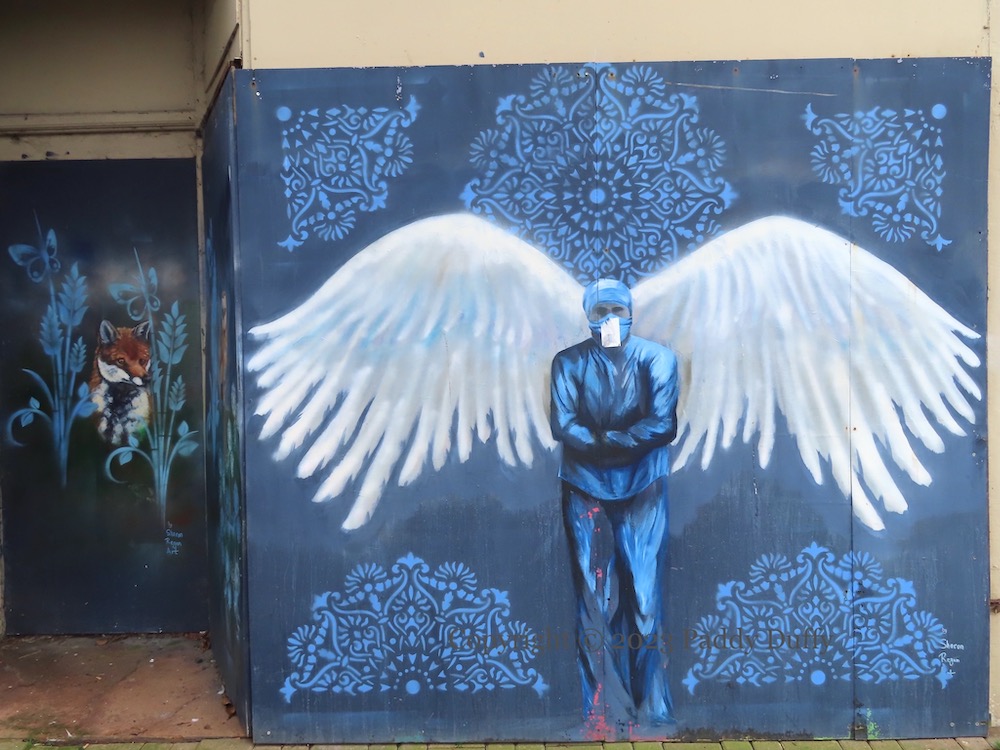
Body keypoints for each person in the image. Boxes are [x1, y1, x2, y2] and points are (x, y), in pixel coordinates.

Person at [550, 277, 679, 727]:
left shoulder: (658, 359)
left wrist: (605, 442)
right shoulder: (568, 363)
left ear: (630, 312)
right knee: (593, 603)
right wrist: (617, 443)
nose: (609, 320)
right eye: (600, 311)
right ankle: (601, 712)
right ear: (588, 317)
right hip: (585, 489)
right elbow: (563, 424)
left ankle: (652, 711)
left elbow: (663, 423)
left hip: (643, 488)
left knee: (643, 600)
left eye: (616, 311)